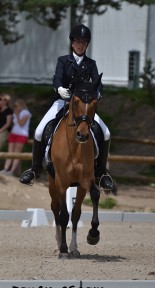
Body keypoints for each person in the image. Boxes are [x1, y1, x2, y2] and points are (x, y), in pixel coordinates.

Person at [20, 24, 116, 192]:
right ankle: (35, 169)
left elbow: (97, 83)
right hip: (62, 101)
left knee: (106, 132)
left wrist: (98, 93)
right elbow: (57, 78)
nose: (80, 45)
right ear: (72, 43)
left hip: (83, 106)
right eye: (78, 41)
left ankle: (101, 174)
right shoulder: (63, 60)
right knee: (38, 131)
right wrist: (59, 89)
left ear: (87, 45)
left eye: (84, 42)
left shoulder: (91, 64)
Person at [0, 99, 32, 176]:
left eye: (16, 106)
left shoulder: (26, 113)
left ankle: (12, 171)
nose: (15, 107)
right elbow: (15, 124)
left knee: (17, 153)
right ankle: (5, 169)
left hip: (21, 134)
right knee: (10, 152)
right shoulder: (16, 113)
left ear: (21, 105)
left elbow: (21, 123)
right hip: (13, 133)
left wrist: (17, 115)